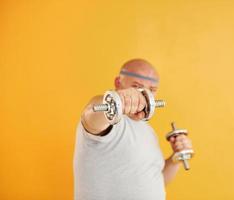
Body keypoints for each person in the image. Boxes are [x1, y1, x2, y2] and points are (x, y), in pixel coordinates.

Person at [73, 58, 193, 200]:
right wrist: (118, 98)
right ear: (118, 83)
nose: (145, 96)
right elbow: (91, 113)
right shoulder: (108, 120)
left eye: (152, 90)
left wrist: (175, 158)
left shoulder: (148, 131)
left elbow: (155, 180)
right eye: (137, 87)